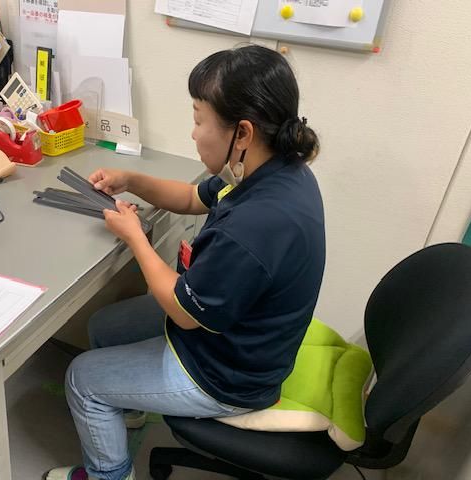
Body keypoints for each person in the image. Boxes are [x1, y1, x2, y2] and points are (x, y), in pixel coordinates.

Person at [47, 44, 325, 480]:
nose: (193, 133)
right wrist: (131, 179)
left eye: (199, 119)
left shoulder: (256, 225)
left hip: (229, 375)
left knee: (81, 379)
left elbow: (182, 311)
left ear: (243, 133)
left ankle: (109, 474)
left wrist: (135, 236)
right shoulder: (271, 170)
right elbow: (194, 197)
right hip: (236, 332)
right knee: (103, 327)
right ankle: (127, 408)